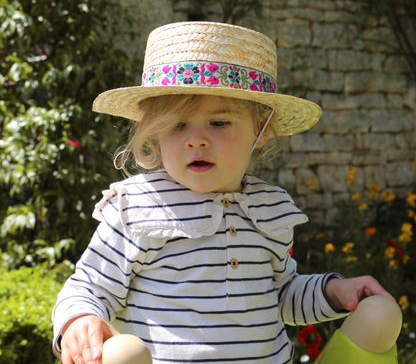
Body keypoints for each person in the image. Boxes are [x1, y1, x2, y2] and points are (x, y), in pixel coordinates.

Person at [52, 21, 395, 364]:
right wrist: (79, 320)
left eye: (219, 123)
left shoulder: (269, 207)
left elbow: (281, 295)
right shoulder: (138, 208)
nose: (196, 139)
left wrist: (334, 292)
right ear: (154, 131)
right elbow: (89, 287)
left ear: (260, 129)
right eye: (177, 124)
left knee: (379, 318)